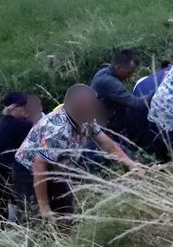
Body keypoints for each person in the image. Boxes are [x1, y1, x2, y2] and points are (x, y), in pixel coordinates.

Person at [15, 84, 141, 221]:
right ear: (79, 107)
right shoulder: (59, 131)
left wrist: (129, 163)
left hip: (56, 170)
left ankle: (63, 232)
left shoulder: (86, 118)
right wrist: (44, 207)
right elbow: (39, 167)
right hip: (29, 173)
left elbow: (105, 142)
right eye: (93, 106)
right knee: (38, 217)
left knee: (66, 214)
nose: (96, 109)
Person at [0, 92, 41, 224]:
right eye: (23, 105)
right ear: (12, 109)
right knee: (25, 201)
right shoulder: (23, 125)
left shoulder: (4, 123)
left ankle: (0, 237)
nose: (26, 108)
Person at [91, 49, 149, 144]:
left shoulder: (103, 72)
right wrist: (158, 89)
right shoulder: (109, 82)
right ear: (119, 68)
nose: (131, 76)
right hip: (107, 128)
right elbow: (136, 103)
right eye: (129, 72)